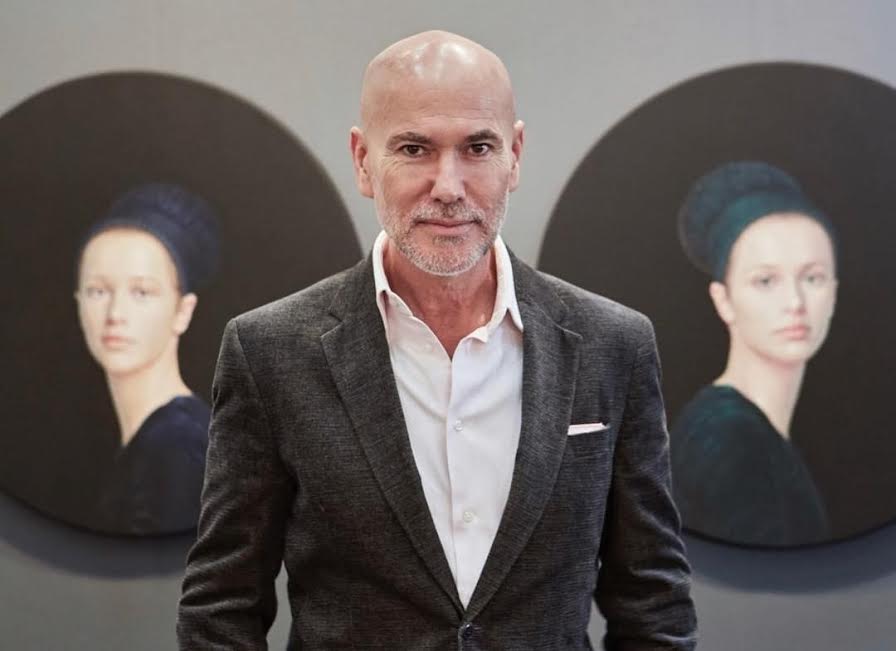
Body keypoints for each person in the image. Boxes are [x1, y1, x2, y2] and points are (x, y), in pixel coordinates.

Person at [178, 31, 696, 649]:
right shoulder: (271, 351)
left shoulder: (614, 345)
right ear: (363, 161)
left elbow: (652, 602)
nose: (448, 187)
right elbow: (223, 606)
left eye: (478, 147)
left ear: (515, 156)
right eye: (414, 148)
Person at [671, 161, 837, 546]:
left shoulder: (753, 433)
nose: (795, 302)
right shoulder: (728, 440)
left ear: (834, 292)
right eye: (765, 281)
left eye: (812, 278)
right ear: (724, 300)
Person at [75, 183, 220, 534]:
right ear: (79, 302)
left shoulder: (177, 446)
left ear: (182, 311)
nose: (115, 314)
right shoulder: (154, 441)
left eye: (141, 292)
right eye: (98, 291)